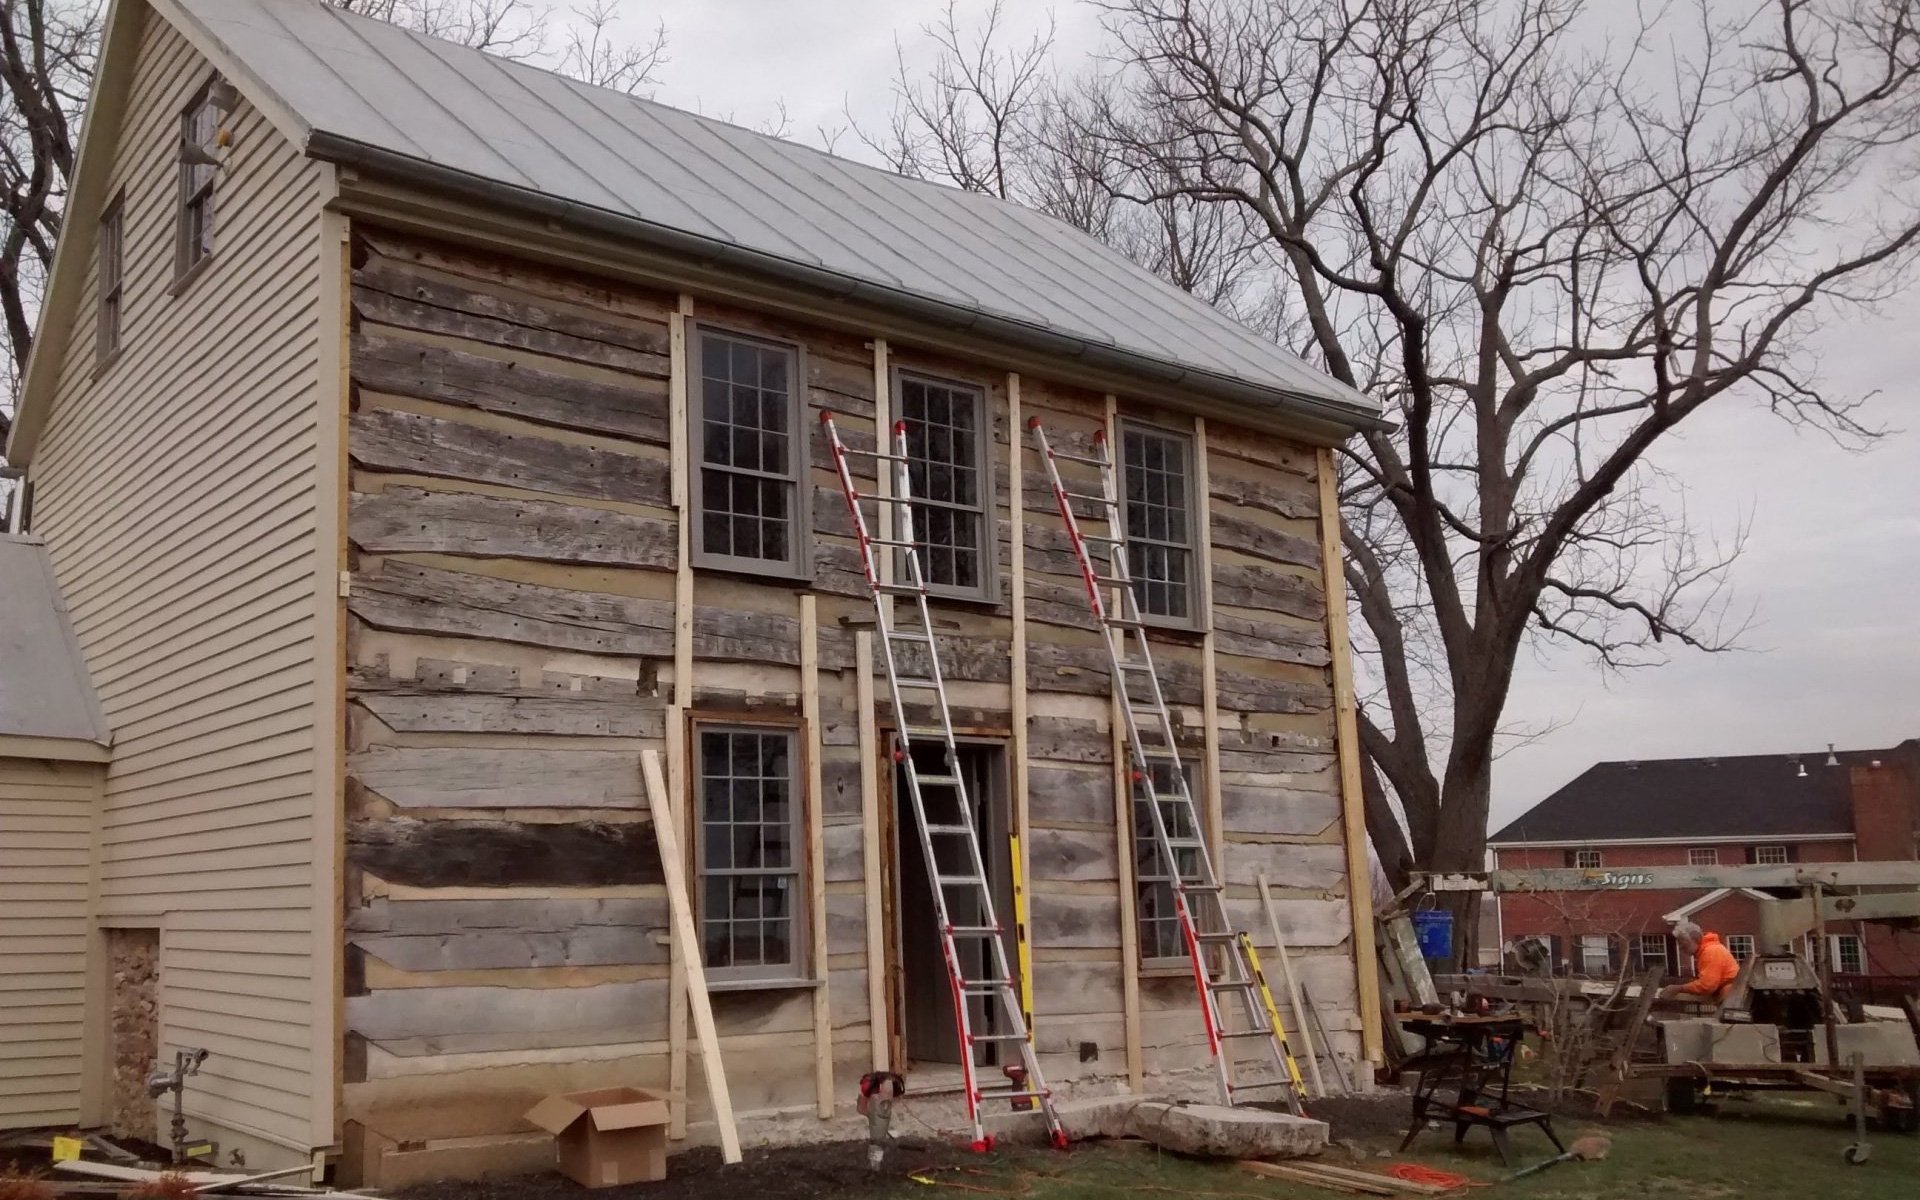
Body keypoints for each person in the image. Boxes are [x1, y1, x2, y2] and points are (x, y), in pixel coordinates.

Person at [1661, 918, 1741, 1003]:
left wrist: (1679, 988)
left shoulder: (1710, 952)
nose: (1680, 946)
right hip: (1730, 995)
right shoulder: (1708, 950)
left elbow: (1707, 986)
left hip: (1731, 998)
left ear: (1694, 939)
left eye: (1682, 942)